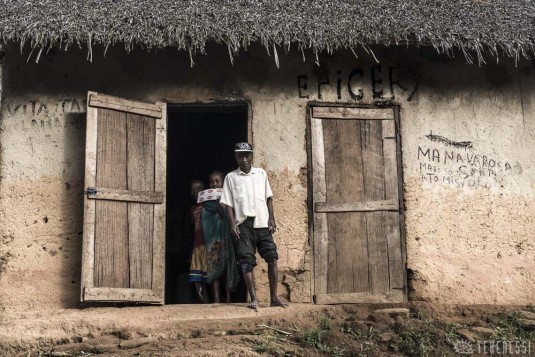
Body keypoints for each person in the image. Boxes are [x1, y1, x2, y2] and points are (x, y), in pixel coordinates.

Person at [220, 142, 288, 309]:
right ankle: (254, 299)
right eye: (240, 156)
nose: (244, 159)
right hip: (243, 225)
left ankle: (274, 297)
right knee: (246, 261)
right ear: (236, 157)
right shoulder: (231, 177)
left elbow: (268, 197)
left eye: (247, 155)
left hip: (262, 223)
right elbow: (228, 204)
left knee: (272, 257)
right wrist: (232, 224)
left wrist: (272, 218)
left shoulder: (261, 173)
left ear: (252, 156)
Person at [202, 171, 240, 303]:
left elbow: (232, 215)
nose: (214, 184)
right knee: (214, 267)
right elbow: (206, 219)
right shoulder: (206, 202)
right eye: (211, 182)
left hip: (228, 238)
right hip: (214, 240)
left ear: (223, 183)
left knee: (229, 266)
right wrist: (216, 204)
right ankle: (217, 299)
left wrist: (221, 204)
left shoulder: (229, 198)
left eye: (217, 181)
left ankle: (229, 298)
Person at [188, 179, 209, 303]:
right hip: (197, 246)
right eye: (193, 189)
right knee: (196, 276)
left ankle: (212, 300)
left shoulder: (209, 205)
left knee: (208, 276)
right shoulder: (192, 209)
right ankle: (203, 301)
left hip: (208, 245)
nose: (196, 191)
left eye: (199, 188)